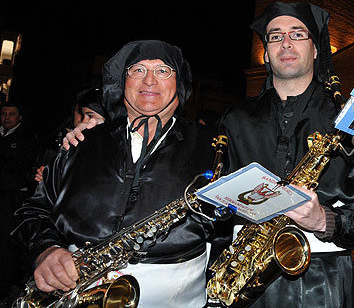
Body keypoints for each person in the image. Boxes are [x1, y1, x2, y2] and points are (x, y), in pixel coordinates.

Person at [13, 40, 225, 308]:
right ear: (122, 82)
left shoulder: (213, 147)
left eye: (163, 71)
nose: (149, 81)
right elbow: (33, 211)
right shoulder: (80, 144)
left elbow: (228, 231)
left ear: (179, 83)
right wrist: (45, 250)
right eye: (137, 70)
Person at [218, 2, 354, 308]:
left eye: (297, 34)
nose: (285, 43)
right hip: (245, 281)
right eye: (275, 36)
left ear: (316, 50)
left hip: (326, 280)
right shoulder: (234, 118)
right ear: (266, 52)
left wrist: (326, 221)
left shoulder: (353, 118)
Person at [0, 101, 39, 302]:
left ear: (19, 117)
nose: (6, 118)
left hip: (11, 198)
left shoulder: (26, 138)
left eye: (11, 114)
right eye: (4, 114)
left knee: (5, 244)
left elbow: (21, 167)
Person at [34, 88, 107, 183]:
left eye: (90, 116)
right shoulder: (70, 138)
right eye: (82, 114)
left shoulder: (114, 147)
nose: (84, 121)